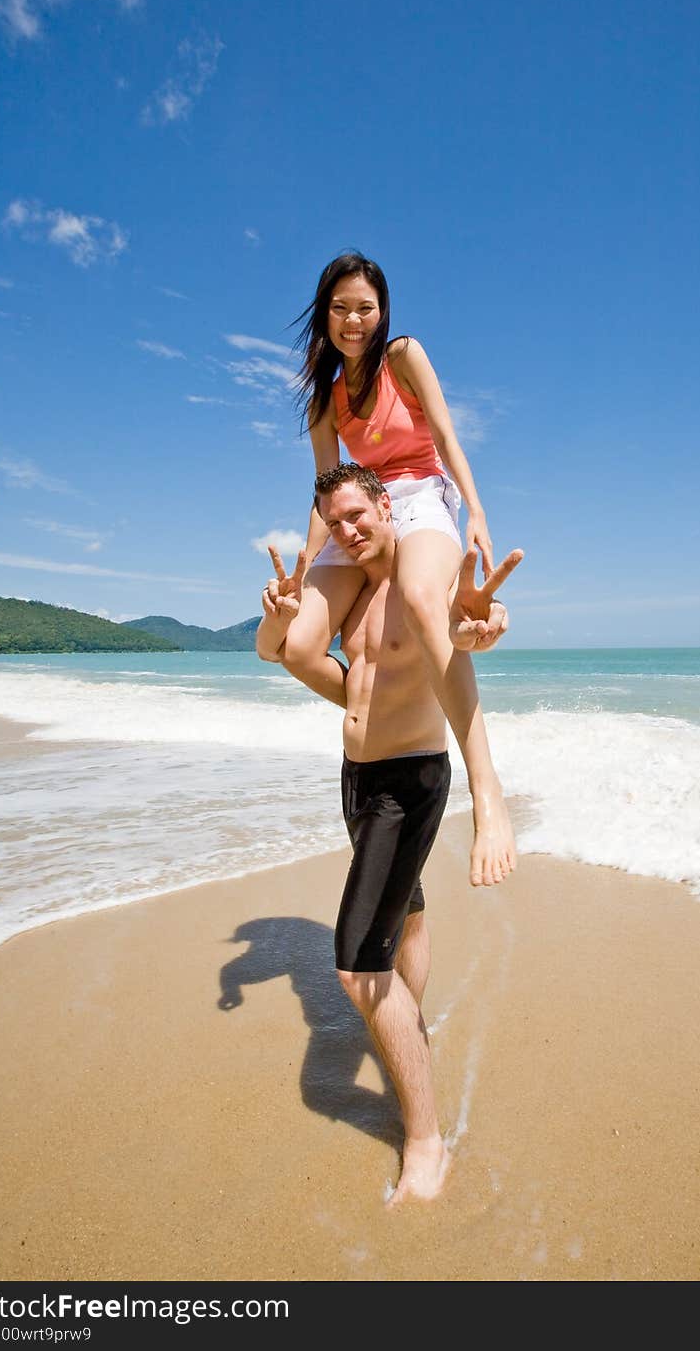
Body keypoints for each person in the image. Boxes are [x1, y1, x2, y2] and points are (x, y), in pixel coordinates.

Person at [257, 463, 522, 1203]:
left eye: (358, 513)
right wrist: (280, 621)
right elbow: (277, 652)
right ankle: (406, 1023)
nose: (349, 529)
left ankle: (425, 1140)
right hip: (358, 778)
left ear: (386, 505)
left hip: (408, 783)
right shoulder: (344, 589)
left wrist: (482, 626)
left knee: (354, 968)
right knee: (405, 913)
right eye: (334, 522)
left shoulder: (419, 585)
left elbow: (467, 633)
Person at [283, 251, 514, 888]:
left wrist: (476, 511)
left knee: (419, 598)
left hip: (418, 497)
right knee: (299, 641)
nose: (353, 319)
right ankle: (387, 710)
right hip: (356, 511)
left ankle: (487, 795)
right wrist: (308, 563)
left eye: (365, 307)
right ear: (324, 314)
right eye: (340, 308)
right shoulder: (323, 402)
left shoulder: (403, 356)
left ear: (382, 312)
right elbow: (326, 488)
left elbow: (444, 435)